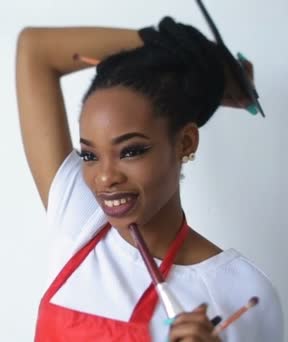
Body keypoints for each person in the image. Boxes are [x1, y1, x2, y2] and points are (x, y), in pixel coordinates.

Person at [15, 17, 283, 341]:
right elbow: (34, 50)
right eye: (90, 155)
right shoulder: (80, 219)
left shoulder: (242, 293)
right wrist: (187, 57)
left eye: (131, 151)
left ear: (185, 142)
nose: (105, 177)